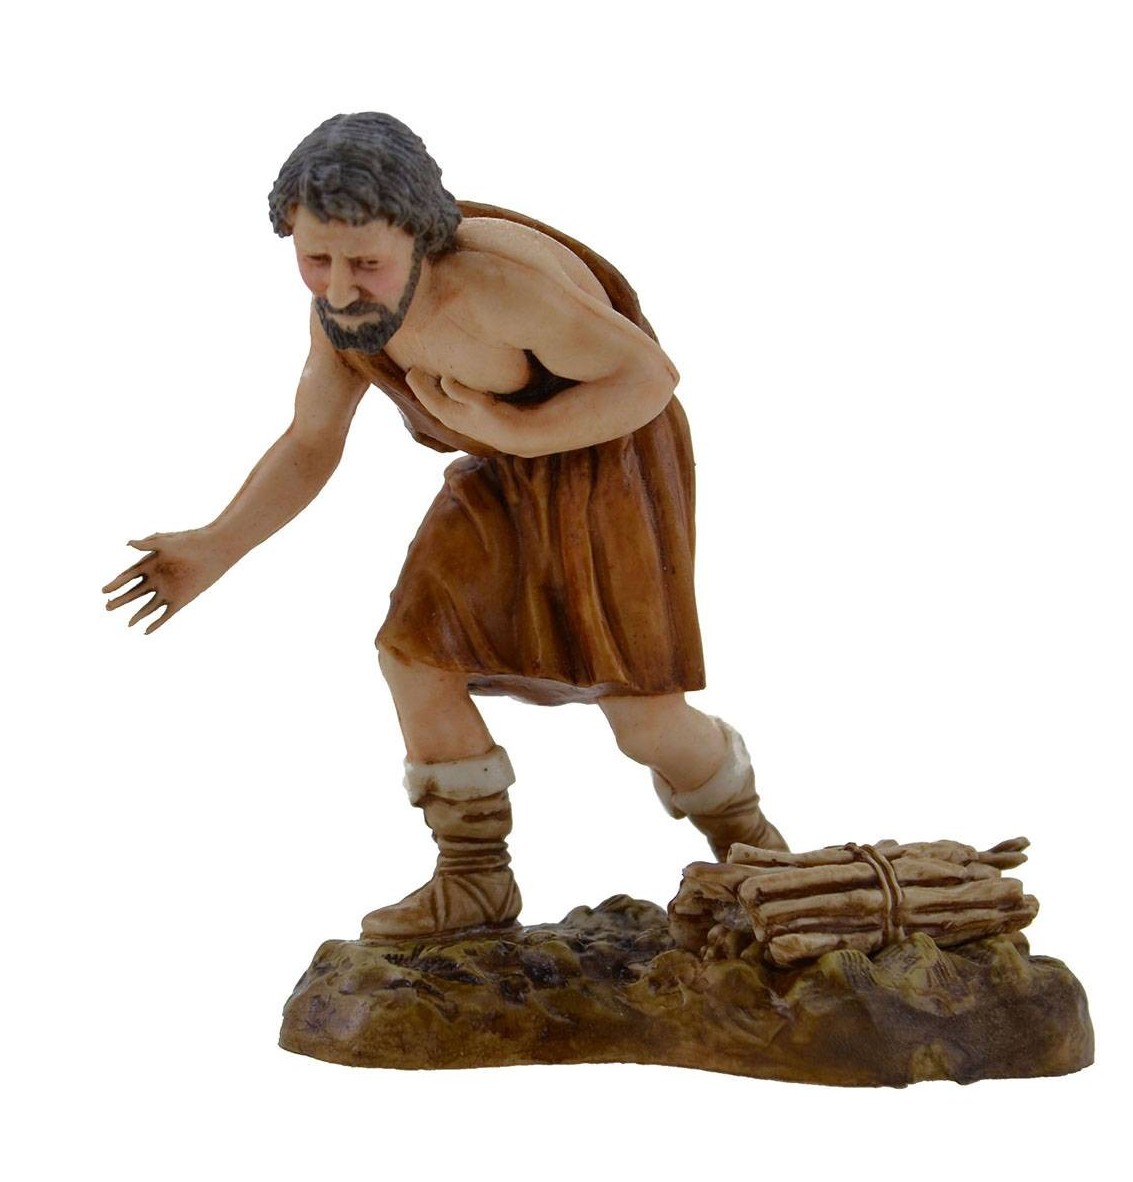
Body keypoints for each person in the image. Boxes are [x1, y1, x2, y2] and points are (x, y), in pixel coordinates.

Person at [103, 113, 787, 937]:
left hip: (608, 468)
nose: (340, 287)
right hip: (501, 471)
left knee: (644, 721)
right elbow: (312, 442)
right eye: (316, 259)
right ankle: (473, 878)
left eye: (366, 263)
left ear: (421, 236)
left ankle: (755, 849)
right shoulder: (344, 321)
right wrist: (215, 547)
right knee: (416, 656)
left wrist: (519, 430)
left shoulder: (497, 290)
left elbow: (647, 377)